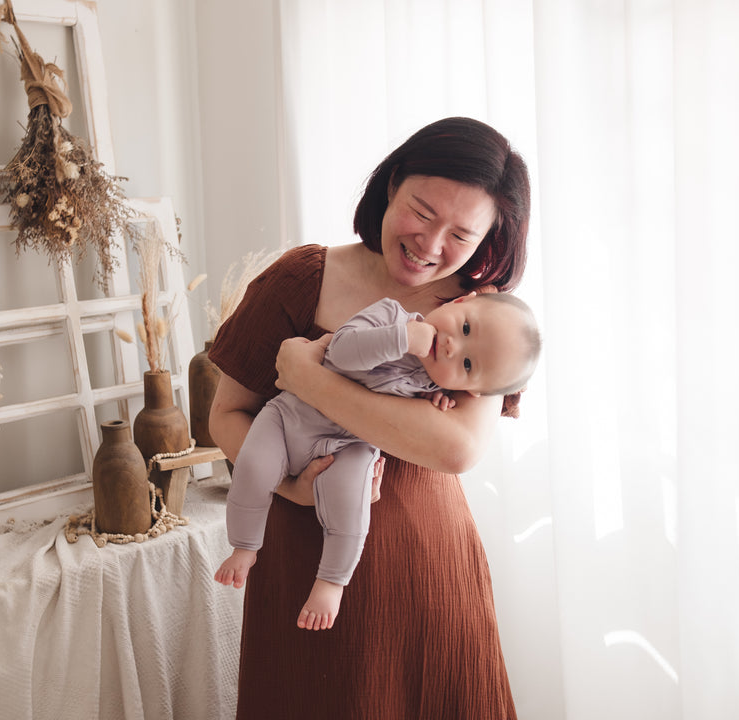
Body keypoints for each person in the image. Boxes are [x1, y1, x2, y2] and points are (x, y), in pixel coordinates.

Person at [208, 116, 530, 719]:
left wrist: (312, 379)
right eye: (423, 212)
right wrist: (291, 487)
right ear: (391, 185)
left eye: (461, 234)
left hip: (429, 578)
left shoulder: (478, 318)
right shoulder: (300, 280)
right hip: (307, 573)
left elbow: (456, 448)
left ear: (488, 238)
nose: (431, 246)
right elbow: (226, 415)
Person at [215, 292, 541, 631]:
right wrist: (403, 339)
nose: (451, 347)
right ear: (458, 302)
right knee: (254, 466)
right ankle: (244, 546)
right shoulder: (390, 315)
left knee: (352, 502)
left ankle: (332, 581)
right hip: (289, 418)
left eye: (467, 365)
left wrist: (434, 395)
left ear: (470, 392)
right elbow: (341, 351)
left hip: (348, 445)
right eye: (466, 327)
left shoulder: (431, 385)